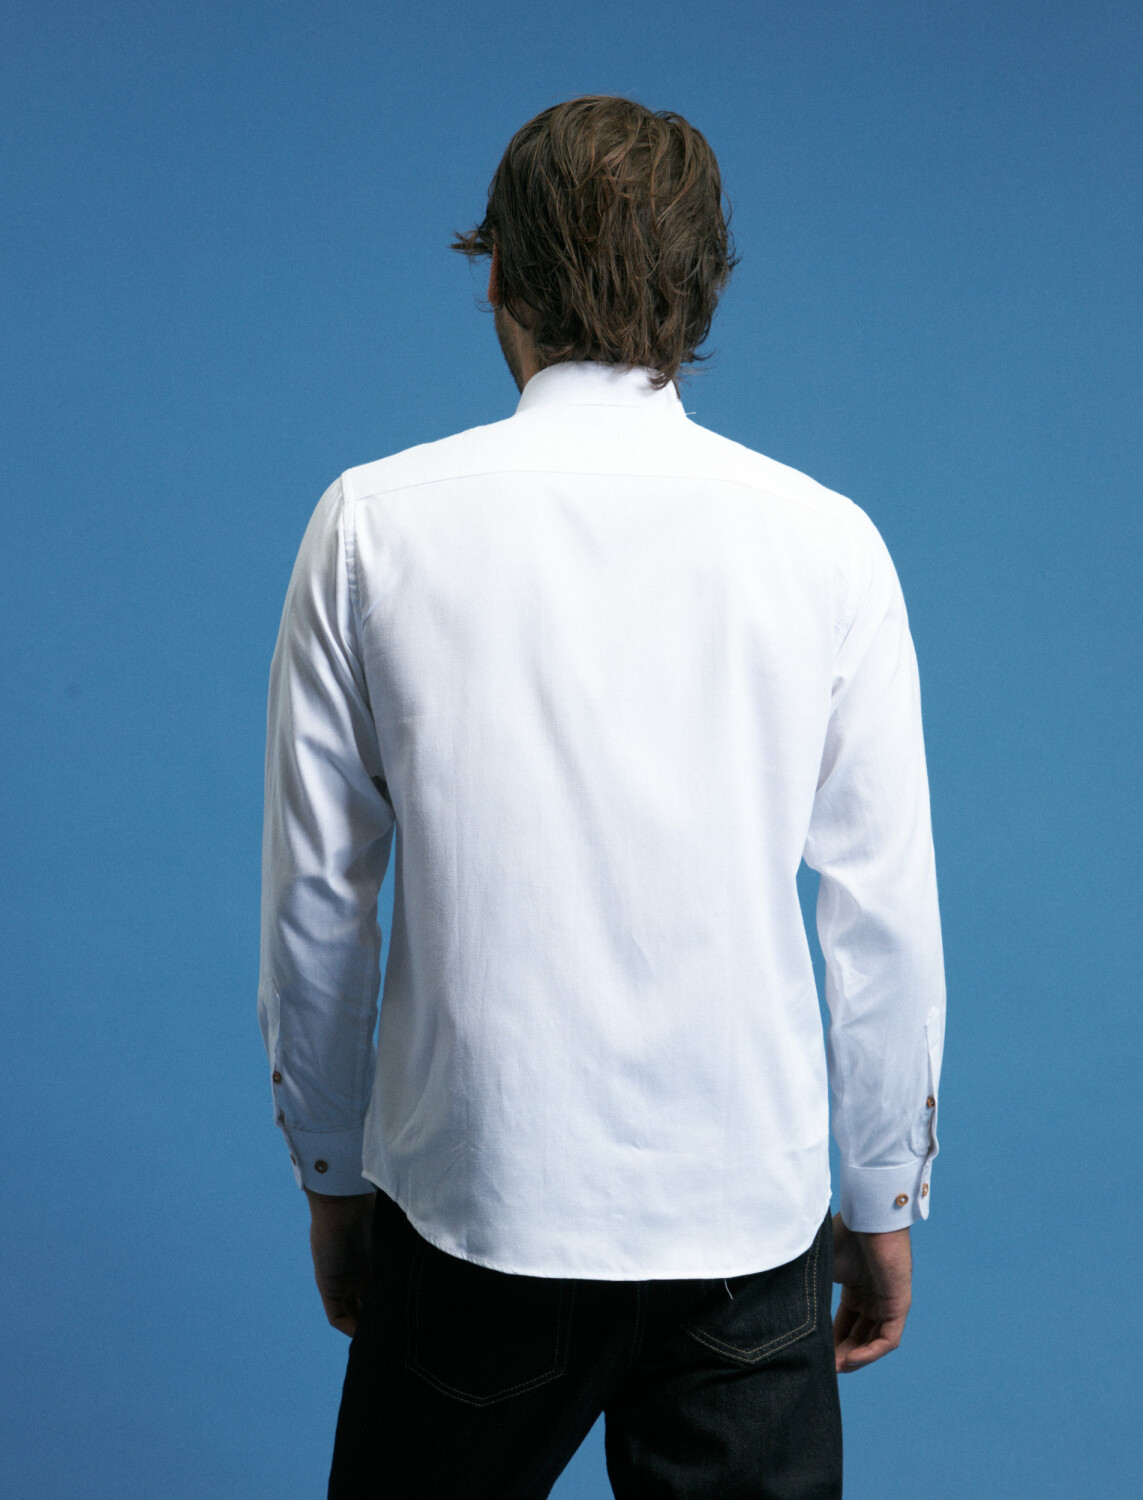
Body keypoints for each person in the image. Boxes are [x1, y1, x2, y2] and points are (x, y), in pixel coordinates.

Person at [258, 95, 944, 1499]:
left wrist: (331, 1175)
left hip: (470, 1209)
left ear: (497, 279)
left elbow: (319, 905)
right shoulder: (828, 545)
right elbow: (882, 916)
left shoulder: (371, 526)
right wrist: (884, 1191)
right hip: (745, 1227)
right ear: (707, 288)